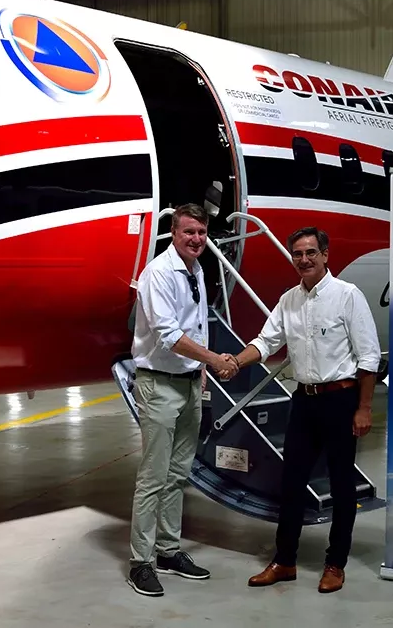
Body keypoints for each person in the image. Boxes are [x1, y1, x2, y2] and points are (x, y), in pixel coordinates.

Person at [229, 226, 380, 594]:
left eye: (311, 252)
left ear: (326, 255)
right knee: (292, 483)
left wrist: (363, 407)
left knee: (343, 486)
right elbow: (266, 342)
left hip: (341, 401)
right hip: (305, 400)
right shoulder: (288, 300)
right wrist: (235, 361)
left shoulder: (348, 296)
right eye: (297, 254)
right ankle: (285, 561)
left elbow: (369, 356)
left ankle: (335, 564)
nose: (304, 260)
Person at [126, 203, 238, 597]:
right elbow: (169, 335)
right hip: (159, 384)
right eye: (188, 232)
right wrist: (215, 360)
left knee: (179, 474)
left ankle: (169, 550)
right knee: (153, 477)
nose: (196, 239)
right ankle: (141, 561)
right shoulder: (158, 273)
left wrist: (203, 373)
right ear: (174, 232)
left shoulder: (198, 269)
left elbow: (198, 324)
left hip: (189, 382)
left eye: (202, 233)